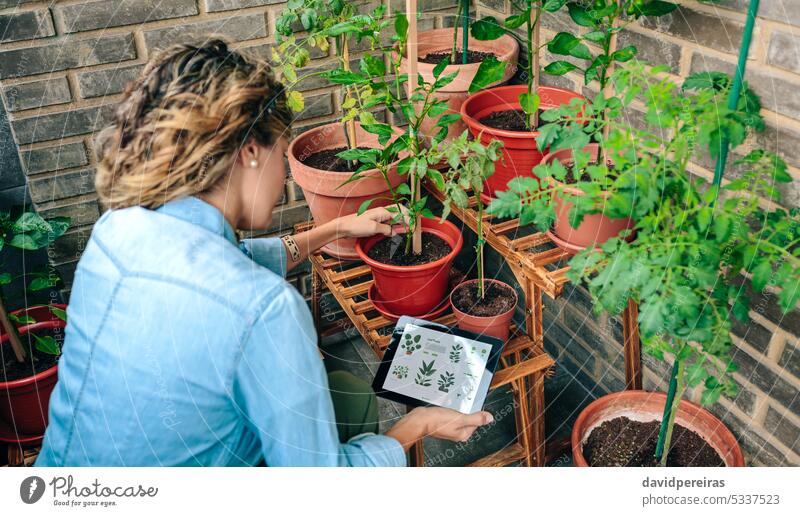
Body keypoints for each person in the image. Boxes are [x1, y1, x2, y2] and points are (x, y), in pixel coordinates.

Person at [36, 39, 492, 466]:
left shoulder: (115, 230)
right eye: (281, 153)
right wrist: (416, 426)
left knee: (347, 394)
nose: (287, 176)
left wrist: (334, 228)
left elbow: (222, 267)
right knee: (348, 407)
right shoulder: (265, 310)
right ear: (251, 151)